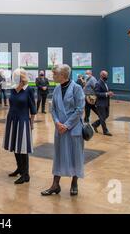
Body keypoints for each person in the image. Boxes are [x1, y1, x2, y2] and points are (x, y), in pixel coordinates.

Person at [41, 64, 85, 197]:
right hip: (59, 128)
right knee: (59, 156)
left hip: (73, 129)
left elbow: (79, 109)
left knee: (75, 155)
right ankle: (55, 185)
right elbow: (53, 108)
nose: (53, 76)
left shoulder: (77, 89)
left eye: (55, 74)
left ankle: (74, 182)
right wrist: (57, 122)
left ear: (63, 75)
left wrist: (66, 125)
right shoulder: (56, 89)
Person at [3, 69, 37, 184]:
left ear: (22, 77)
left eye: (16, 76)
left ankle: (25, 174)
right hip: (12, 120)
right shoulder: (13, 89)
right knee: (15, 146)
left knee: (23, 148)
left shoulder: (29, 90)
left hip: (23, 121)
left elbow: (33, 109)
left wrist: (31, 124)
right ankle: (19, 168)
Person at [91, 70, 113, 136]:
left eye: (107, 75)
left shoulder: (105, 82)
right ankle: (105, 131)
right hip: (100, 103)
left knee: (106, 115)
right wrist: (106, 94)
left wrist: (109, 93)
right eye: (105, 75)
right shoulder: (98, 83)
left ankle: (94, 124)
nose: (107, 76)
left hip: (106, 102)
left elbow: (106, 91)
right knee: (102, 117)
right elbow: (97, 93)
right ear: (102, 75)